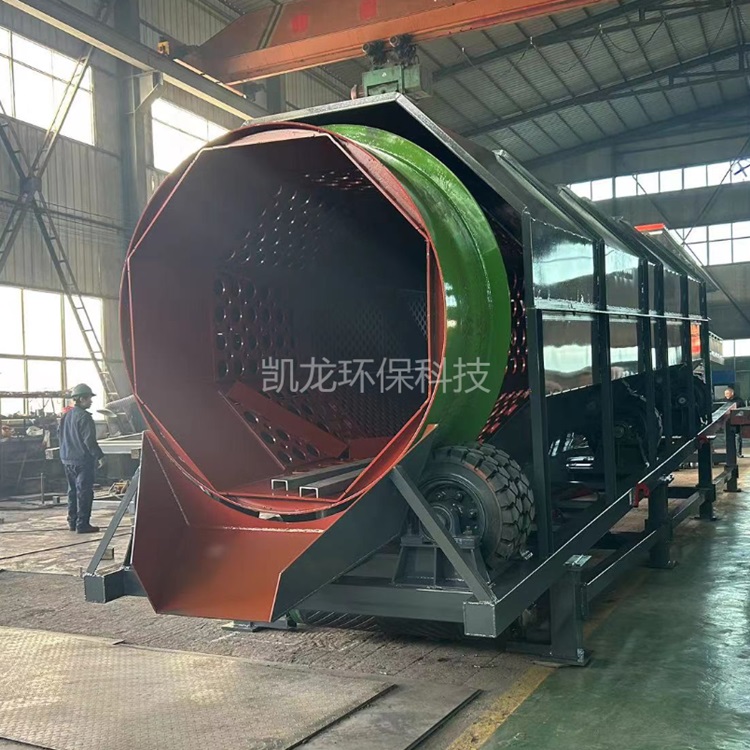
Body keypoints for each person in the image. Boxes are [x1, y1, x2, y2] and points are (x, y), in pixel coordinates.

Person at [60, 383, 104, 533]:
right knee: (84, 492)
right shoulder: (84, 417)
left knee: (72, 491)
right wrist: (99, 456)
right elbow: (89, 441)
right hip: (82, 461)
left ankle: (73, 522)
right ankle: (82, 524)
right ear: (81, 399)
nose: (91, 401)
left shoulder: (66, 416)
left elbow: (61, 436)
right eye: (88, 398)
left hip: (68, 459)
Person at [724, 386, 745, 458]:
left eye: (727, 394)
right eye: (725, 394)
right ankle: (730, 453)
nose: (726, 395)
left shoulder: (739, 400)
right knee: (727, 438)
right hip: (727, 422)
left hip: (737, 422)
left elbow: (742, 410)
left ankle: (738, 453)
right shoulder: (724, 401)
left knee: (738, 437)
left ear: (732, 393)